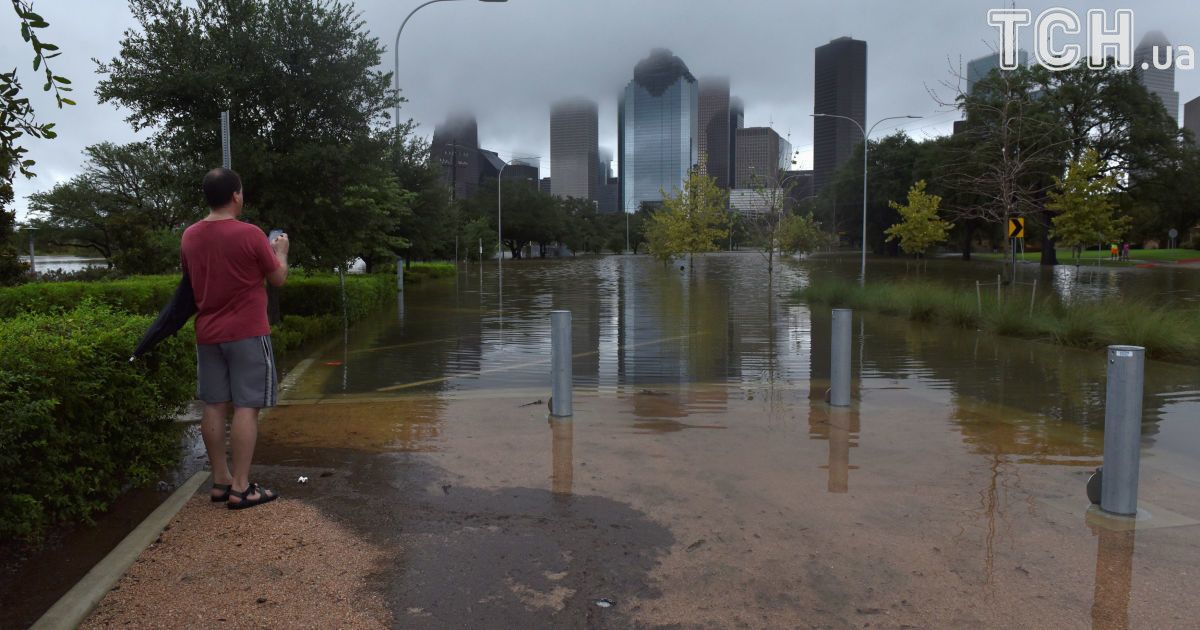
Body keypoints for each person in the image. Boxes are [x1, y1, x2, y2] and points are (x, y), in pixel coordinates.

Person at [181, 168, 289, 510]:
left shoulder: (189, 236)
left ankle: (221, 480)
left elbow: (191, 281)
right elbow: (277, 279)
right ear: (236, 196)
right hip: (247, 333)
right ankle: (242, 488)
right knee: (247, 405)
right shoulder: (251, 234)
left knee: (213, 404)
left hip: (208, 334)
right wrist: (281, 252)